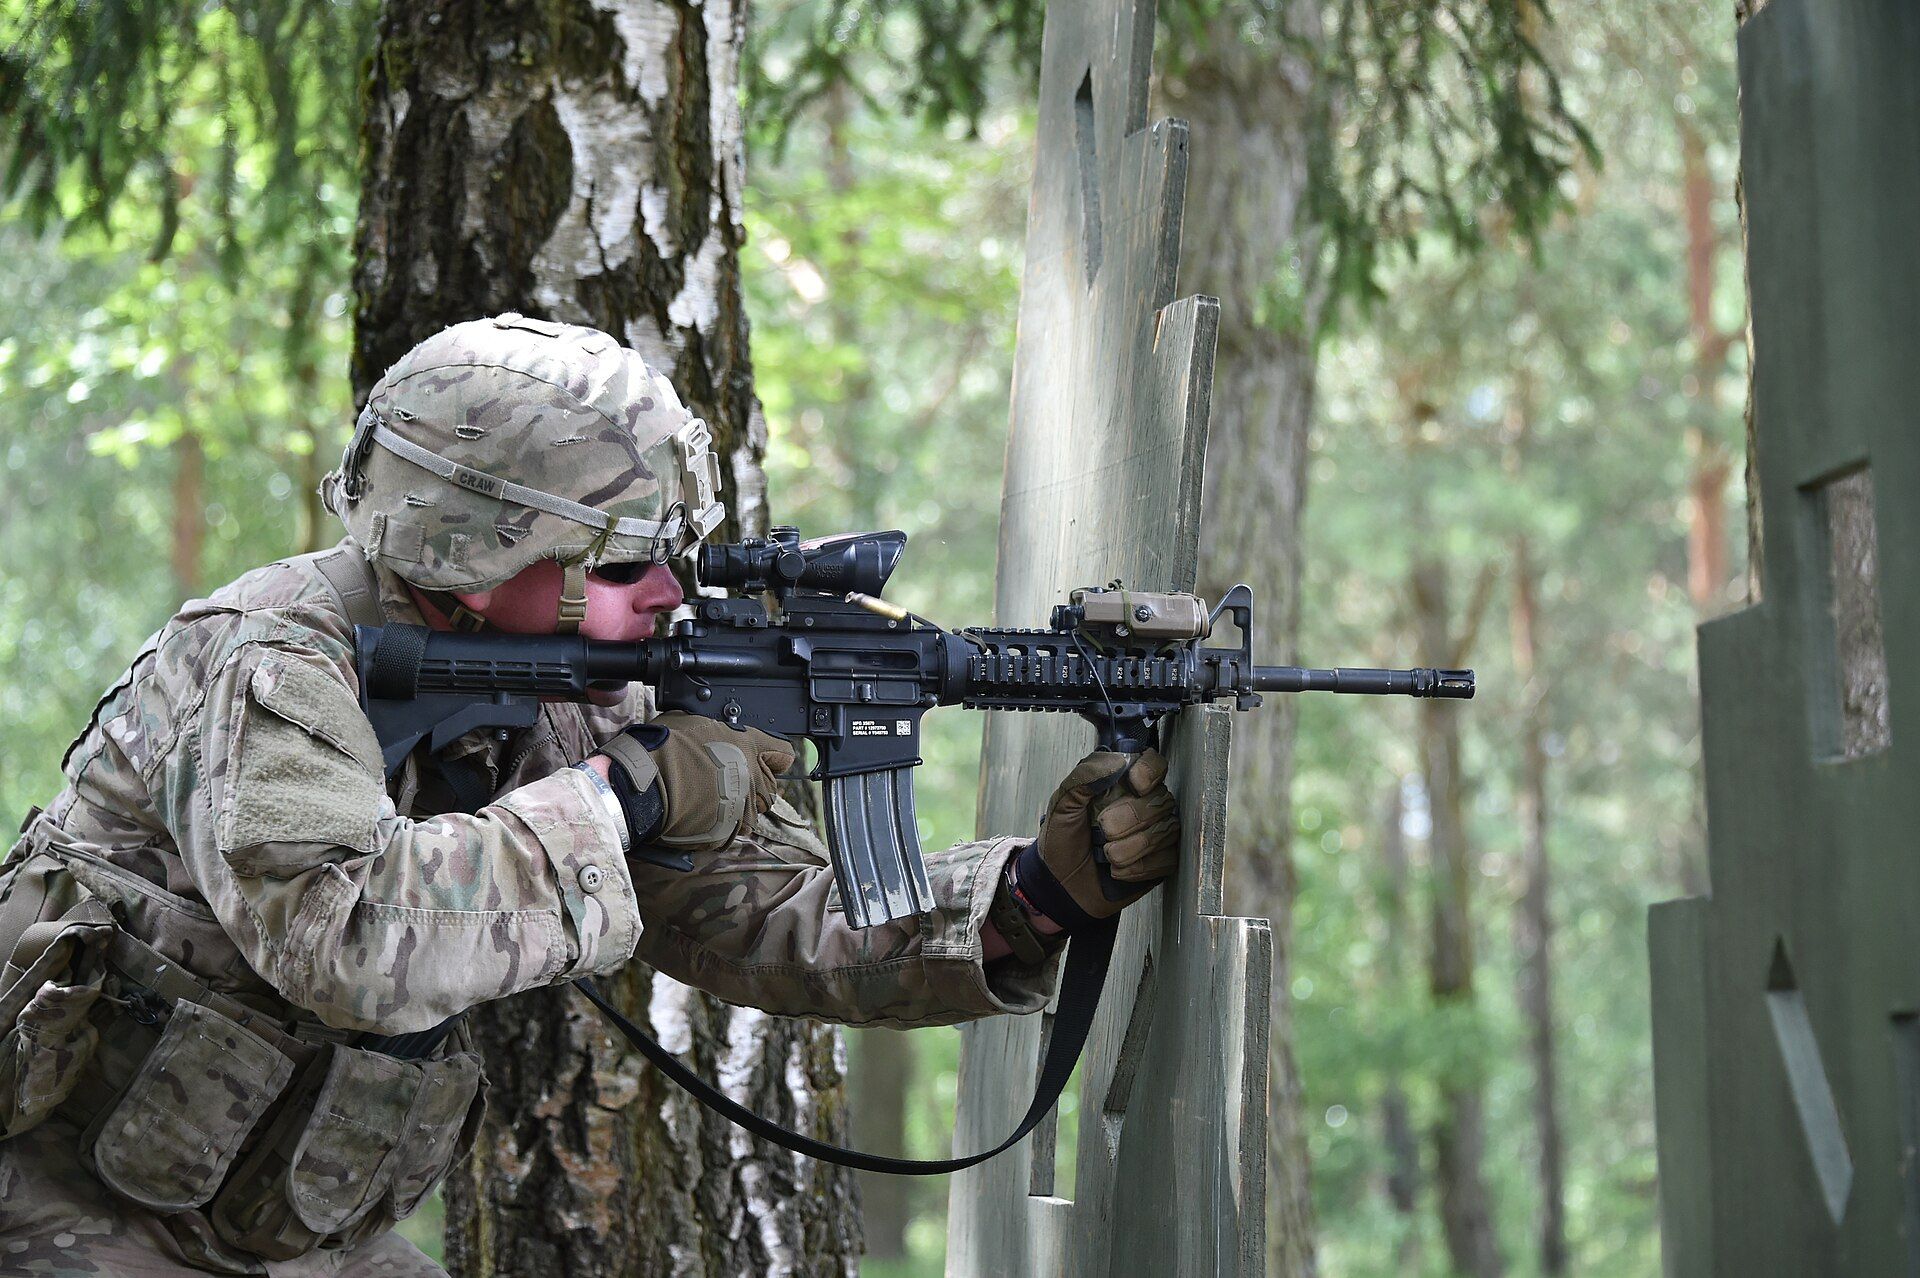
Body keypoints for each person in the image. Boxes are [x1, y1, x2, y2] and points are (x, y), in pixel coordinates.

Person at [0, 315, 1181, 1276]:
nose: (667, 589)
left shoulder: (592, 679)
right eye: (621, 564)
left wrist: (1028, 898)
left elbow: (743, 912)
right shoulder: (271, 658)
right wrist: (627, 794)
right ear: (473, 547)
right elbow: (347, 941)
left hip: (280, 1222)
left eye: (672, 554)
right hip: (60, 1200)